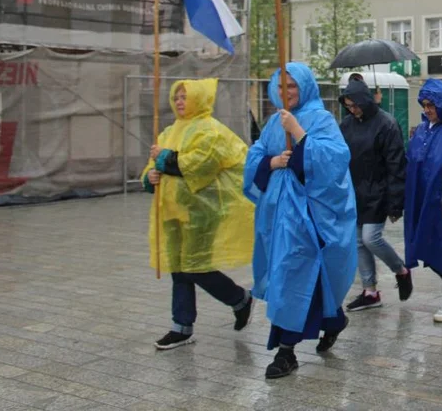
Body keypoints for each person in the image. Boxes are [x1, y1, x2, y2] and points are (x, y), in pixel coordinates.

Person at [244, 64, 357, 379]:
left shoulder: (320, 119)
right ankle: (333, 320)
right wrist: (271, 161)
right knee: (291, 277)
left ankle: (286, 351)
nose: (286, 92)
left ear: (305, 87)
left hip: (308, 220)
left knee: (293, 277)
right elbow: (254, 160)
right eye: (280, 86)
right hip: (277, 217)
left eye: (292, 86)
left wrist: (298, 132)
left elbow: (335, 161)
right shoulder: (271, 123)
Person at [142, 79, 254, 351]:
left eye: (185, 96)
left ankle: (239, 299)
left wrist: (163, 159)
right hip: (171, 211)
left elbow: (198, 165)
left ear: (200, 99)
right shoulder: (169, 131)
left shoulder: (212, 131)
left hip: (203, 213)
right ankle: (181, 327)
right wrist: (150, 176)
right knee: (178, 269)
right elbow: (152, 170)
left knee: (196, 267)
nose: (180, 101)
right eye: (176, 97)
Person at [338, 78, 413, 311]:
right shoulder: (346, 125)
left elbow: (396, 166)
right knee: (359, 241)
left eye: (355, 105)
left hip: (378, 192)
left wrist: (395, 203)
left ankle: (400, 270)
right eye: (348, 106)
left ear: (365, 100)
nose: (352, 109)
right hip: (355, 191)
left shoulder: (387, 124)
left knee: (371, 238)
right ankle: (370, 291)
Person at [404, 78, 442, 322]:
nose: (427, 109)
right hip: (421, 197)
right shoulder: (423, 129)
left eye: (431, 104)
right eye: (424, 104)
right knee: (425, 244)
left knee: (441, 245)